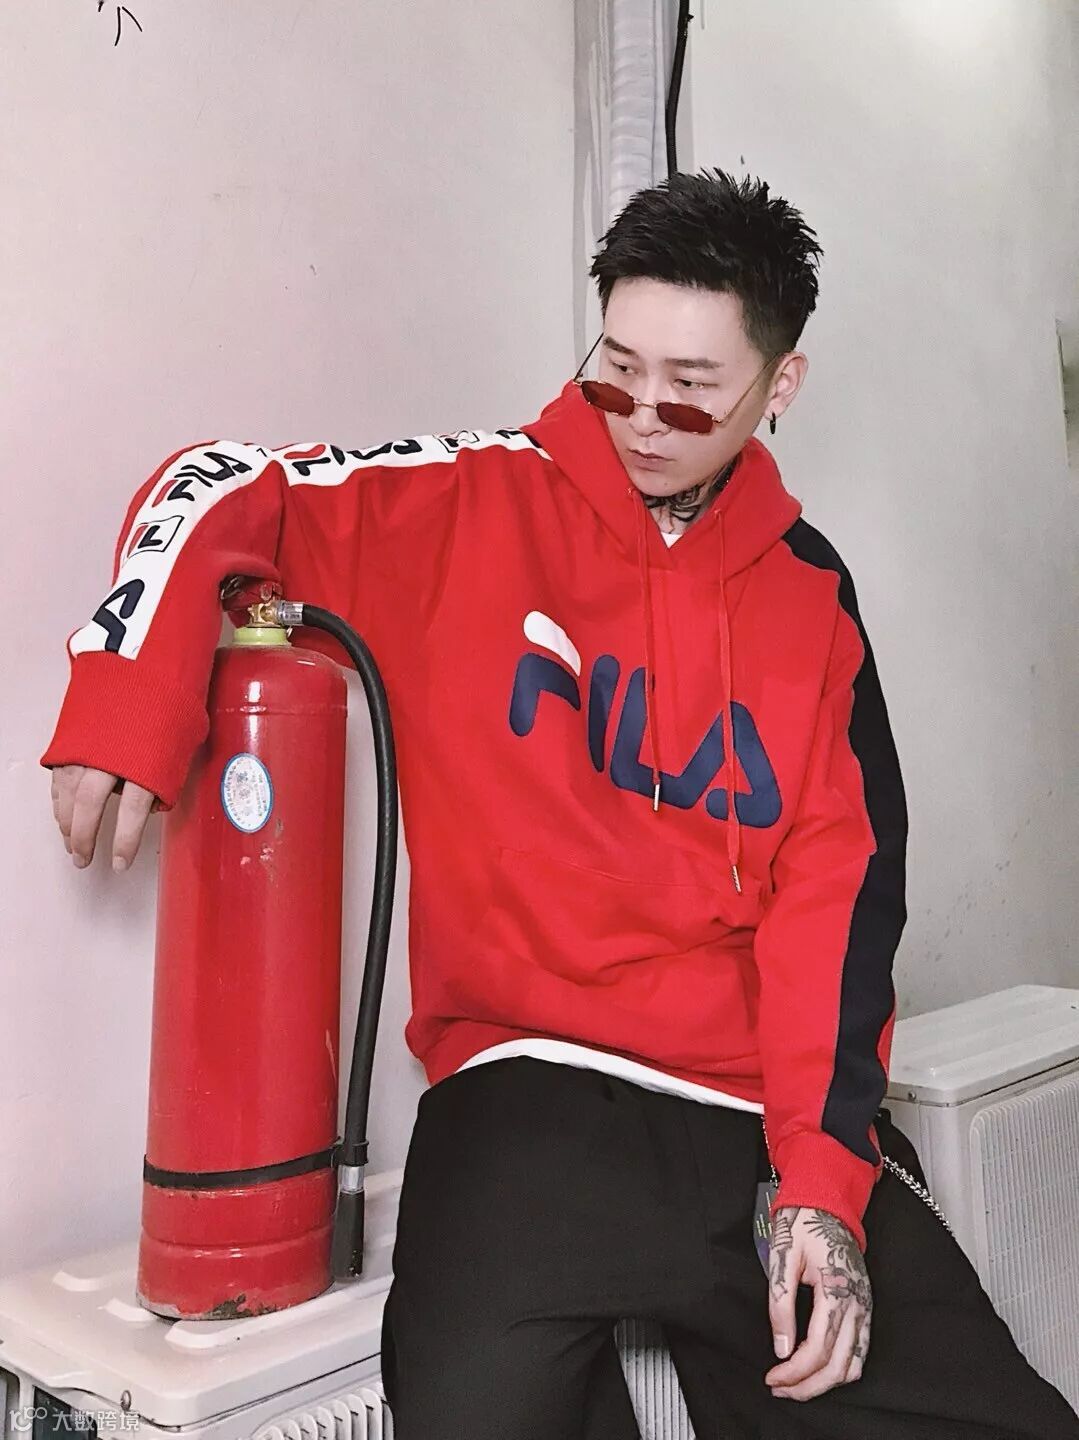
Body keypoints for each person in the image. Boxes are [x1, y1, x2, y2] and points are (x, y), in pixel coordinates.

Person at [44, 170, 1079, 1439]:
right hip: (525, 1088)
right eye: (614, 369)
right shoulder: (467, 498)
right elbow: (217, 484)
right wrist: (130, 699)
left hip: (749, 1107)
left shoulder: (810, 596)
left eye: (690, 389)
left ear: (779, 386)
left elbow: (840, 896)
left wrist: (820, 1181)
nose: (641, 418)